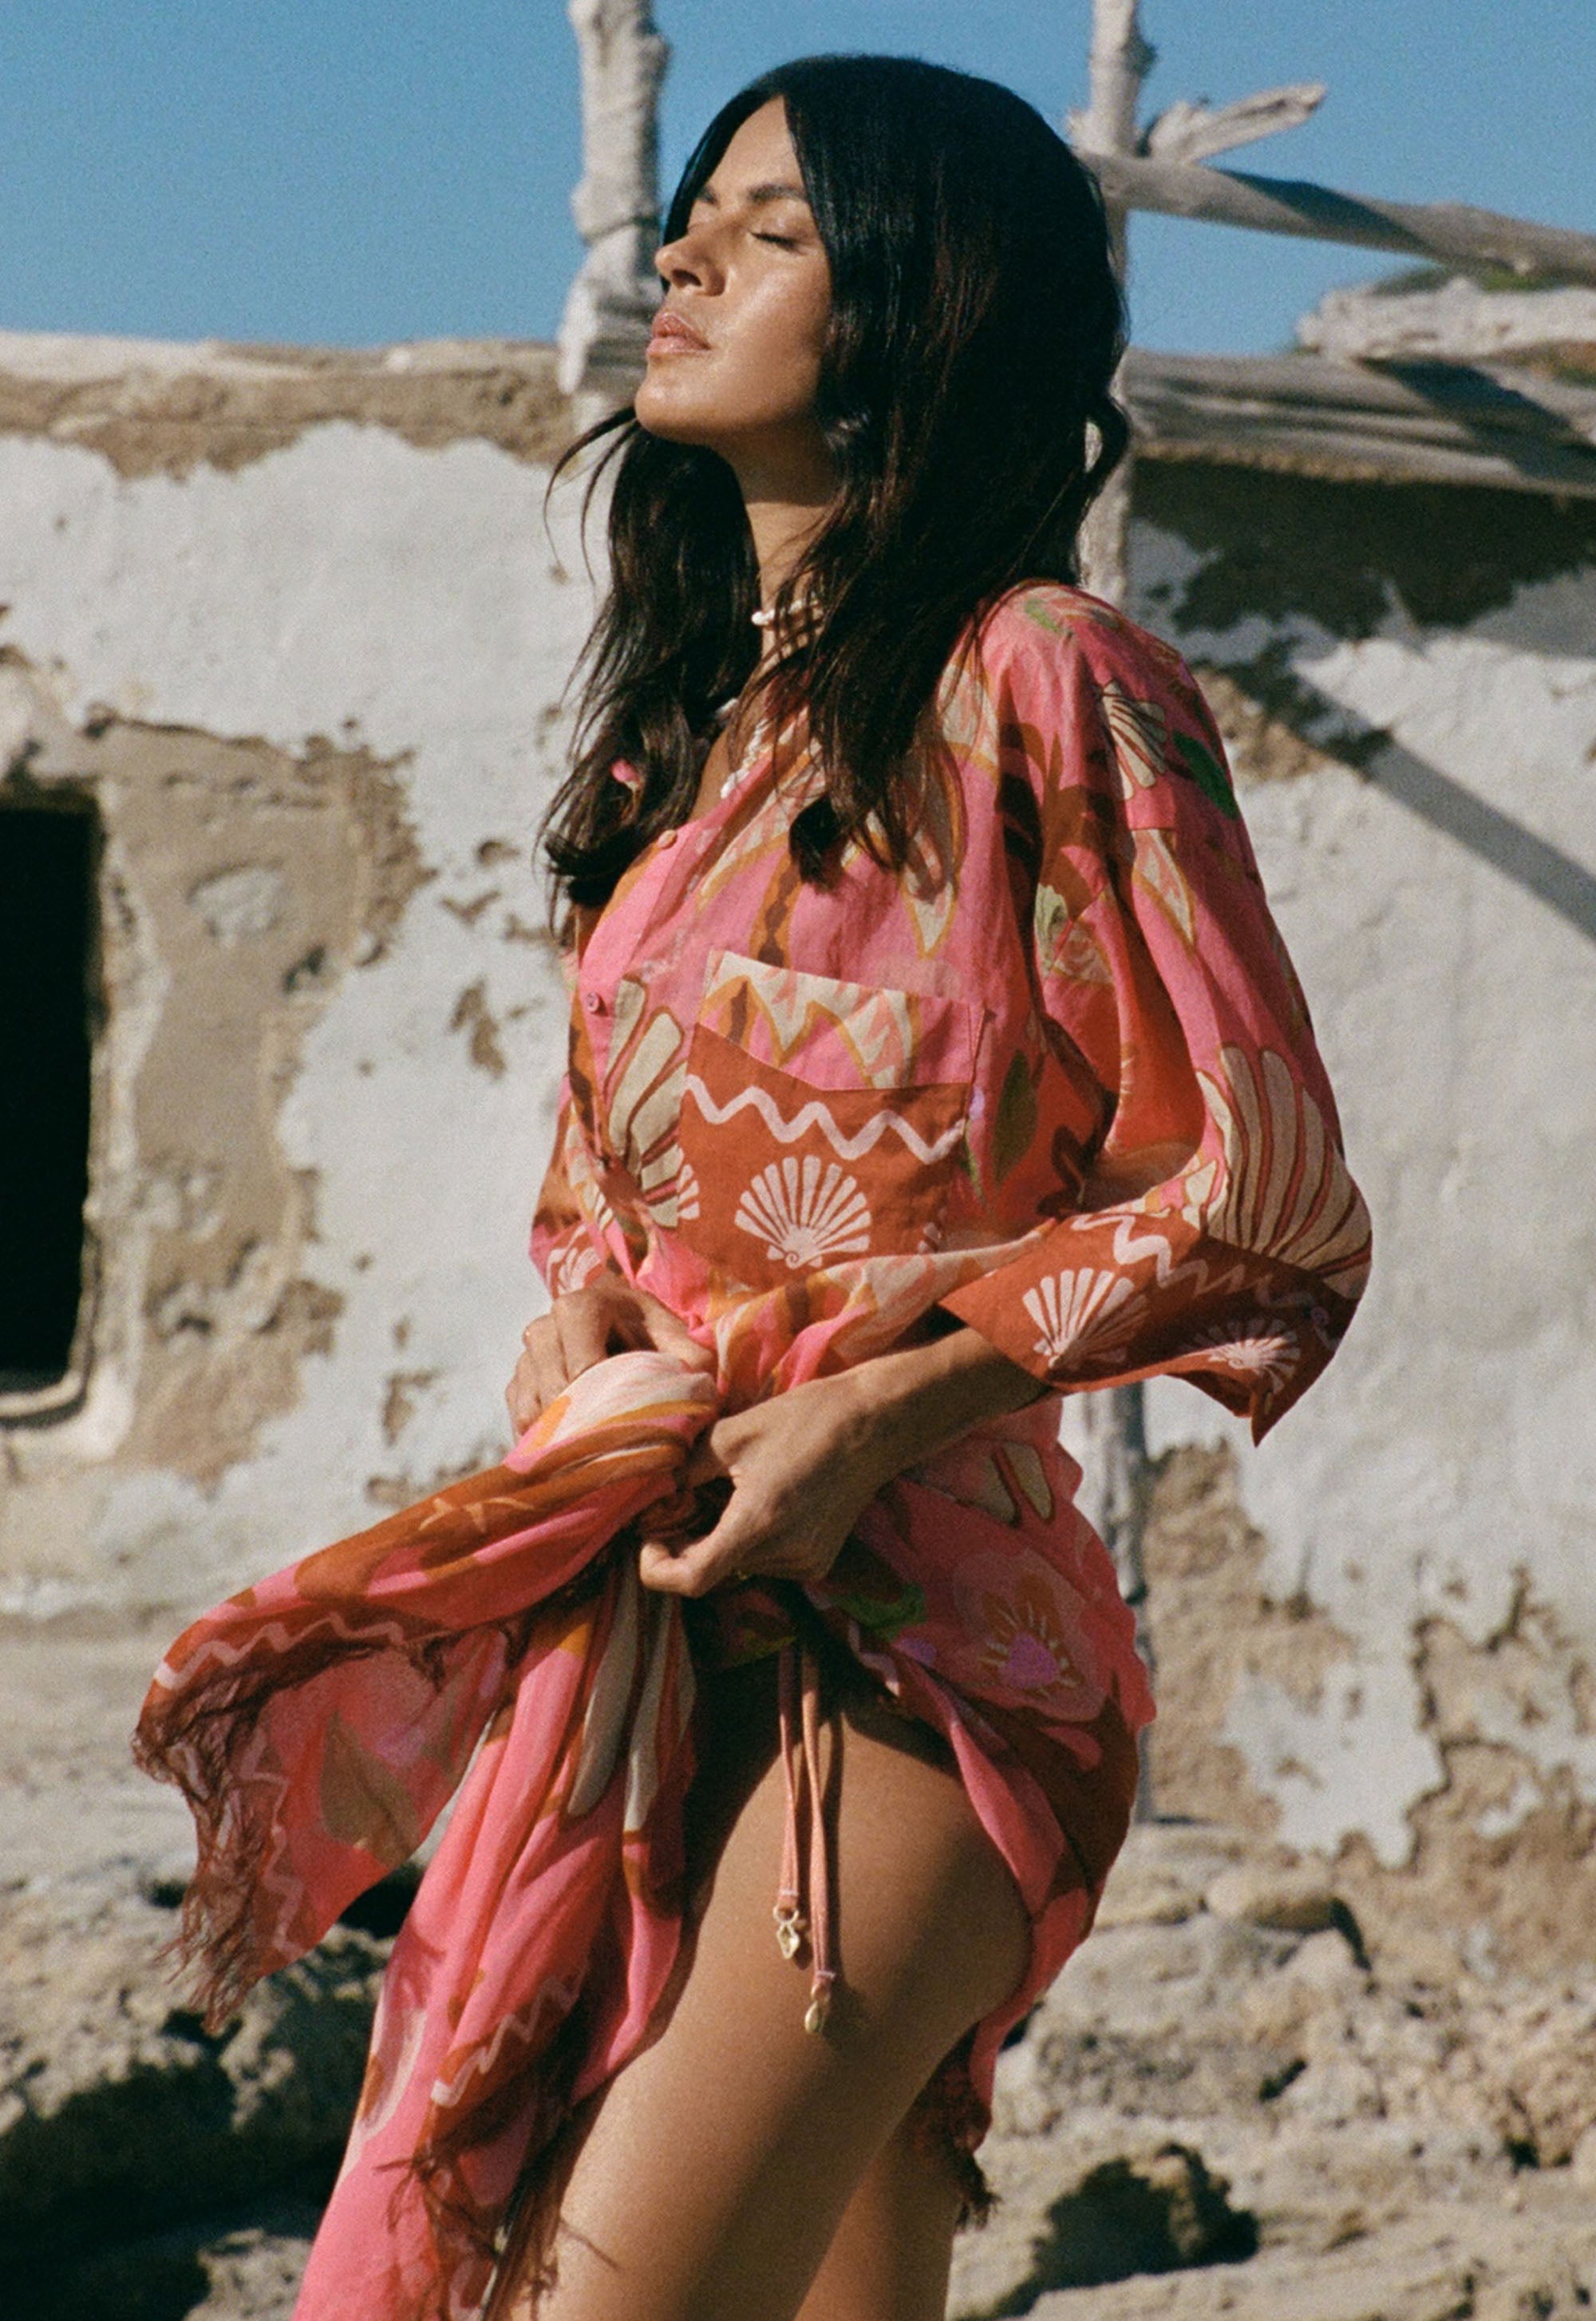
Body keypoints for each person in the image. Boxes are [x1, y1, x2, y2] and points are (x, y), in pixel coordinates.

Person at [134, 53, 1369, 2321]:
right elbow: (603, 1206)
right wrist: (584, 1334)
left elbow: (1261, 1192)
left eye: (771, 228)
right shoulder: (680, 745)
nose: (685, 253)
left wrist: (873, 1414)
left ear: (918, 306)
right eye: (693, 207)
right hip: (650, 1637)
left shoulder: (1048, 684)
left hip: (917, 1665)